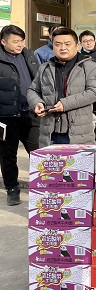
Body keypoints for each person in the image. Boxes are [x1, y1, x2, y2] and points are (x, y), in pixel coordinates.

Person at [28, 27, 96, 146]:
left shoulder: (89, 66)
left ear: (77, 45)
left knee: (79, 164)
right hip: (50, 133)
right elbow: (33, 90)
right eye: (58, 44)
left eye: (67, 44)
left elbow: (95, 92)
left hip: (78, 133)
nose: (63, 48)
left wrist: (65, 104)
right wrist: (36, 102)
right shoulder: (45, 67)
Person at [0, 25, 40, 205]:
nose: (20, 44)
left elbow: (39, 80)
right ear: (3, 41)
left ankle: (43, 186)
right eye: (15, 41)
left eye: (22, 41)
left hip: (30, 113)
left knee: (38, 152)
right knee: (8, 155)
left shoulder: (29, 55)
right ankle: (12, 188)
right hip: (6, 116)